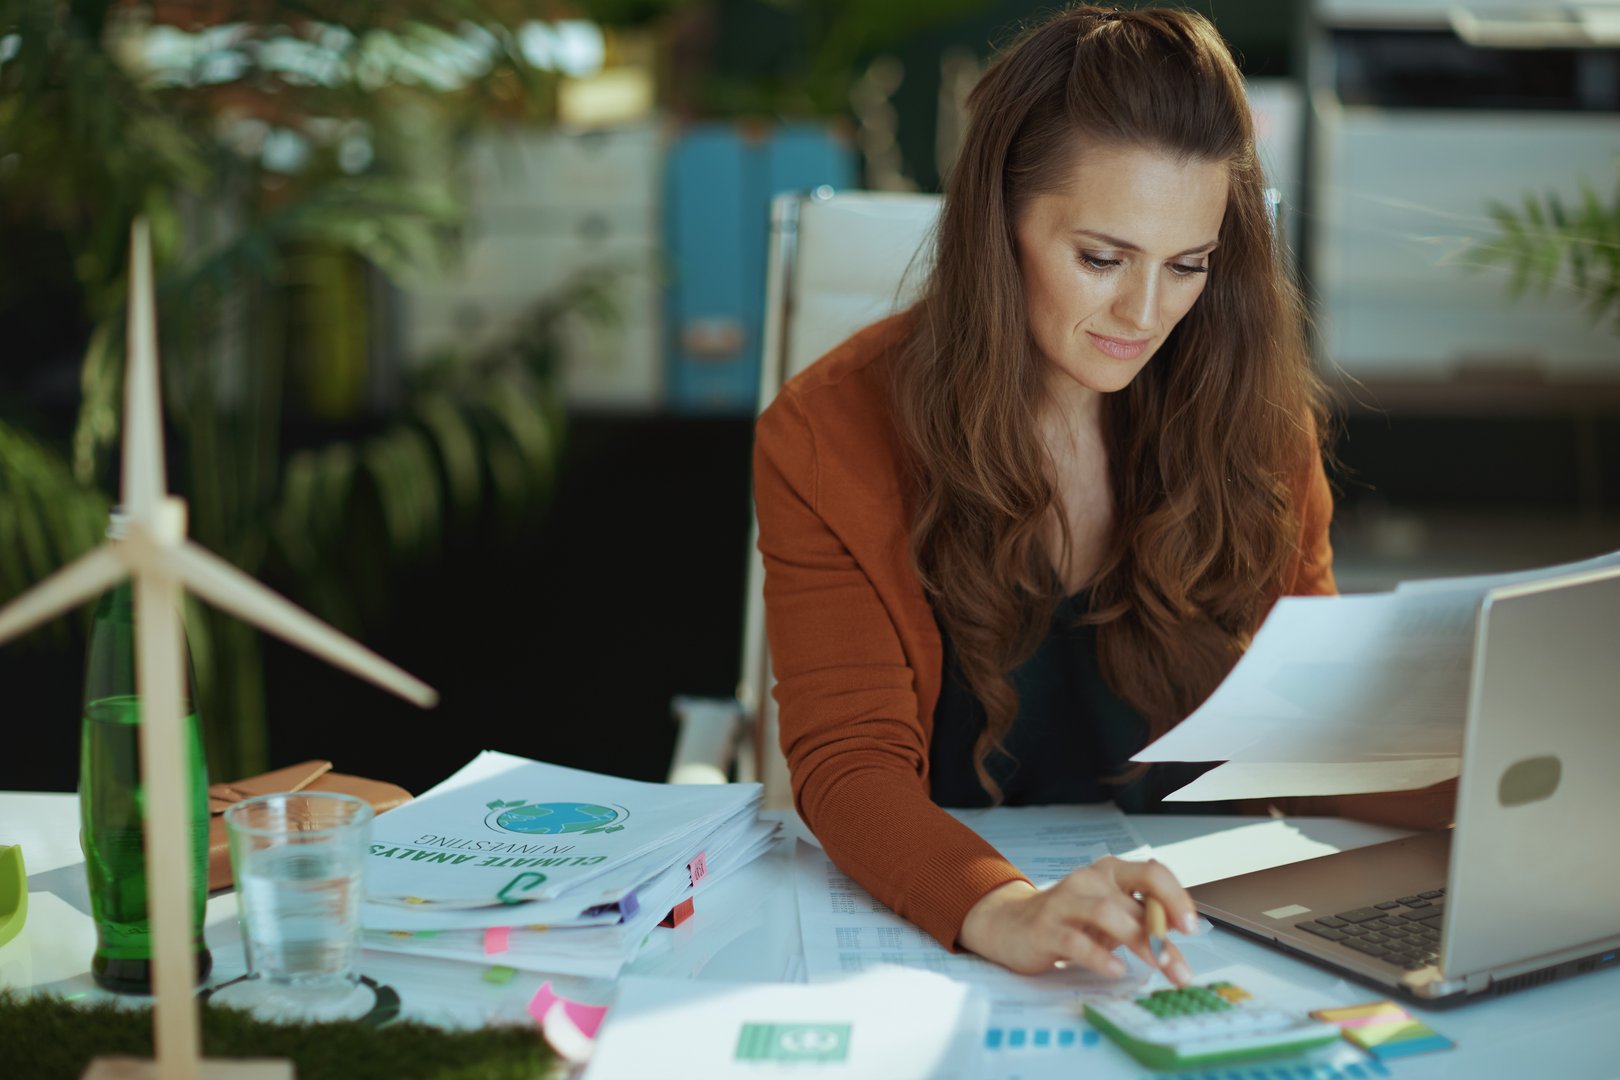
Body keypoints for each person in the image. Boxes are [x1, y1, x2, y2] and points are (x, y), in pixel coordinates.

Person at [754, 4, 1456, 986]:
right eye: (1101, 257)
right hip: (969, 939)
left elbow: (1307, 724)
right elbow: (848, 763)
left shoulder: (1253, 417)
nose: (1144, 313)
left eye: (1188, 266)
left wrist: (1515, 782)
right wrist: (1006, 911)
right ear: (998, 219)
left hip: (1213, 937)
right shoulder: (829, 430)